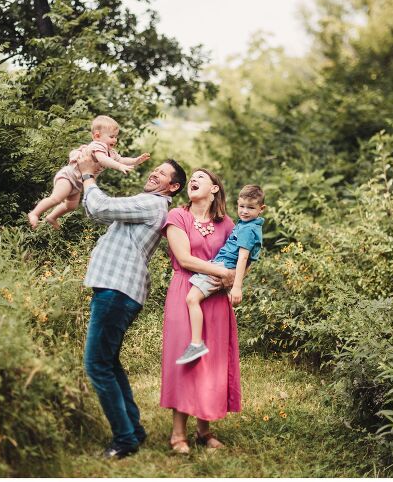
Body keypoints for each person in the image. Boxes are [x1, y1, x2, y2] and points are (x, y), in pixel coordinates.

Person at [77, 149, 186, 459]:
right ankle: (133, 430)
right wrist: (90, 182)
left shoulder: (151, 204)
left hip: (117, 290)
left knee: (96, 364)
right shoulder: (148, 204)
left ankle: (124, 439)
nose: (154, 174)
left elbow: (100, 207)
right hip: (118, 290)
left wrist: (87, 175)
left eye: (163, 174)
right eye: (155, 170)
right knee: (108, 362)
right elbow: (93, 209)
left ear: (173, 187)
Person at [160, 169, 241, 454]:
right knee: (187, 359)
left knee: (213, 362)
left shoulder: (228, 223)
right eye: (191, 178)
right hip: (185, 292)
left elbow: (241, 255)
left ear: (215, 188)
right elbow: (184, 258)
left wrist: (234, 279)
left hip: (216, 298)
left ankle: (204, 431)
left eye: (200, 177)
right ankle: (178, 434)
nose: (193, 180)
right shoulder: (178, 217)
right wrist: (221, 271)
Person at [176, 184, 265, 364]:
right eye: (242, 206)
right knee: (193, 298)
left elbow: (244, 258)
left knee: (192, 299)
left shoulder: (248, 229)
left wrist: (237, 287)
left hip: (222, 267)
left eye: (251, 207)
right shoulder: (247, 225)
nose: (245, 211)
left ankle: (196, 343)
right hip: (220, 265)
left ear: (261, 209)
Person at [27, 115, 151, 229]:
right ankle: (35, 213)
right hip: (69, 177)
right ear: (97, 136)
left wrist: (136, 161)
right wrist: (118, 167)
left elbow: (122, 159)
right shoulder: (97, 146)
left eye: (116, 136)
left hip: (78, 183)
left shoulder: (111, 152)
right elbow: (103, 159)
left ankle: (52, 217)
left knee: (71, 206)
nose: (115, 140)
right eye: (112, 137)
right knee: (56, 198)